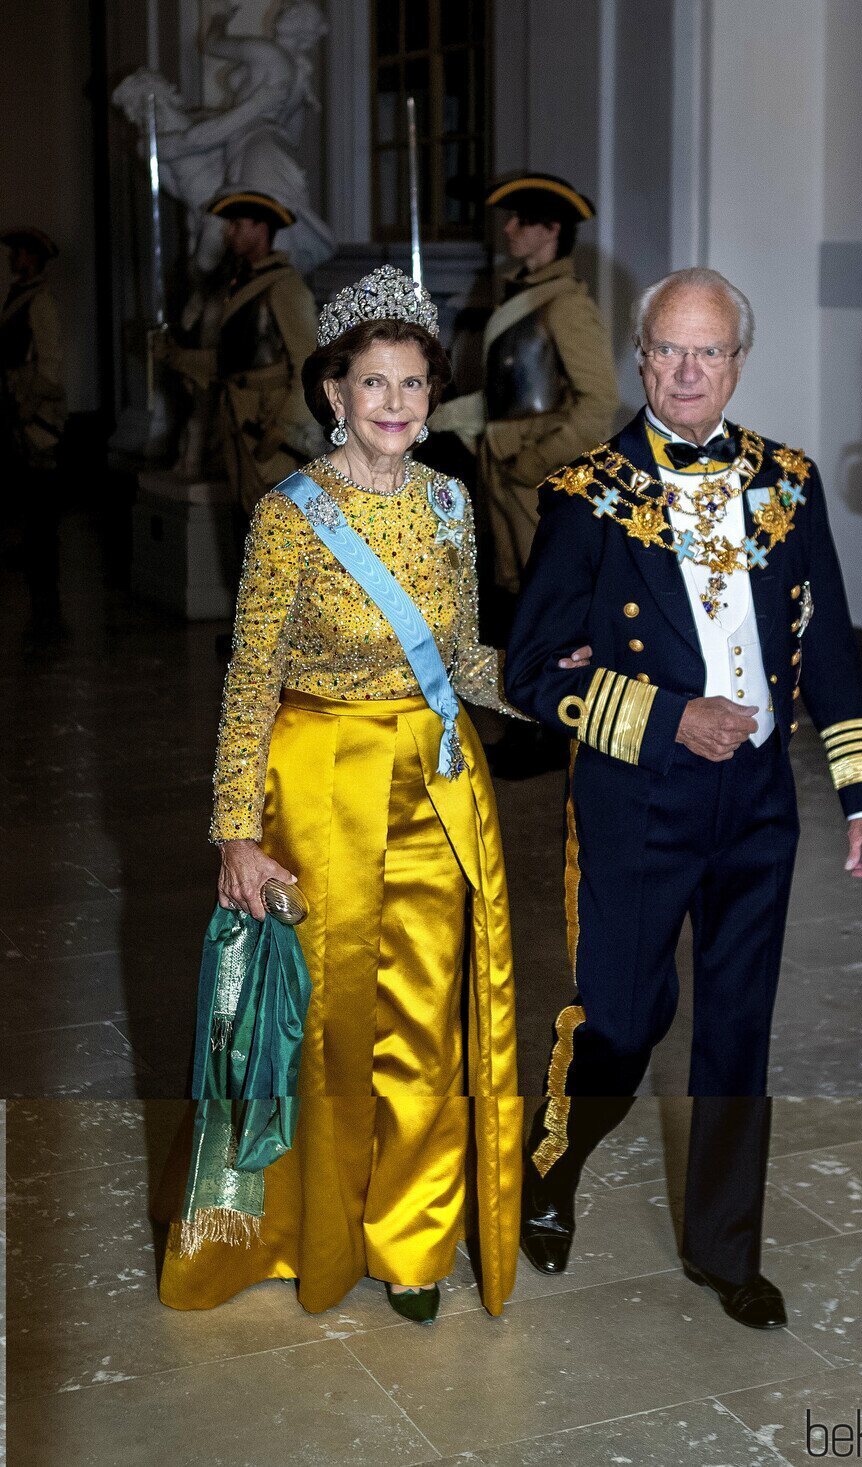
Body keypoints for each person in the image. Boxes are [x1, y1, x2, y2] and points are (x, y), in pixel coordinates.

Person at [504, 267, 862, 1328]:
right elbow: (529, 670)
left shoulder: (787, 481)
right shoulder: (586, 492)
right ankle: (551, 1165)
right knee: (623, 1027)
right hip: (637, 800)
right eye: (667, 352)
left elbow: (829, 648)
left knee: (736, 1028)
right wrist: (666, 715)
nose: (685, 373)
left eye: (706, 352)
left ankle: (724, 1251)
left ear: (735, 362)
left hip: (759, 804)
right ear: (640, 359)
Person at [157, 266, 522, 1324]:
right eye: (375, 385)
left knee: (423, 1022)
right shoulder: (289, 517)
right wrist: (234, 832)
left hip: (433, 781)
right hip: (316, 788)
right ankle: (311, 1231)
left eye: (413, 384)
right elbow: (248, 683)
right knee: (322, 1029)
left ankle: (409, 1241)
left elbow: (461, 658)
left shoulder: (450, 503)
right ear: (335, 395)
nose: (397, 405)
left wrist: (561, 690)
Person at [429, 173, 619, 775]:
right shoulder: (524, 292)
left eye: (519, 220)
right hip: (505, 470)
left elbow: (597, 404)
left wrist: (533, 464)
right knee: (518, 600)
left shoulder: (566, 305)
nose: (507, 230)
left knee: (552, 607)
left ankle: (554, 731)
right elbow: (515, 397)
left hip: (536, 479)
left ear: (550, 230)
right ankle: (533, 721)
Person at [158, 189, 321, 519]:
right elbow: (230, 361)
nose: (228, 232)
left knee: (277, 533)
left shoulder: (284, 285)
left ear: (260, 228)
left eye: (236, 224)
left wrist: (285, 428)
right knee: (248, 530)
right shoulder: (238, 285)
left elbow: (311, 366)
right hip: (238, 423)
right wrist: (175, 356)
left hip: (268, 430)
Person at [0, 226, 66, 643]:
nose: (14, 258)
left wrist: (27, 406)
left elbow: (51, 368)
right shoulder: (18, 298)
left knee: (42, 517)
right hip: (19, 418)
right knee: (31, 512)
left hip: (37, 422)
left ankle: (47, 603)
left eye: (21, 253)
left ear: (35, 258)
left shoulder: (40, 302)